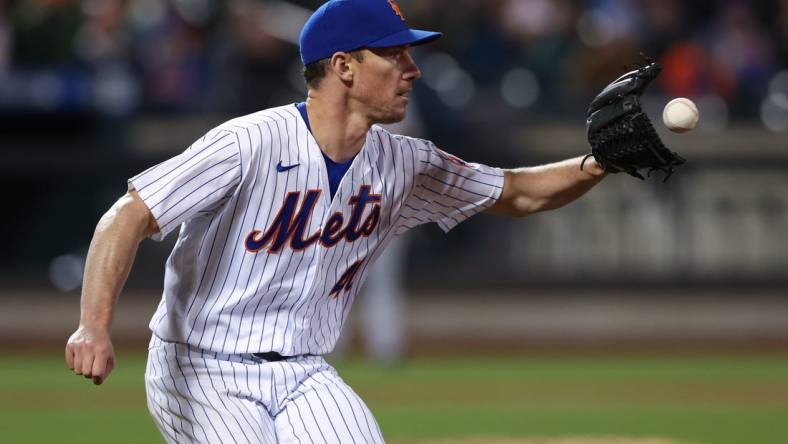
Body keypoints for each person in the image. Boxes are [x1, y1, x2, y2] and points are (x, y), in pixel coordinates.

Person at [65, 0, 606, 442]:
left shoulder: (404, 160)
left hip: (303, 370)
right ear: (344, 65)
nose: (412, 70)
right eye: (395, 55)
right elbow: (127, 216)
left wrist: (599, 162)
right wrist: (94, 325)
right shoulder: (248, 142)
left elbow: (516, 193)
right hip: (201, 369)